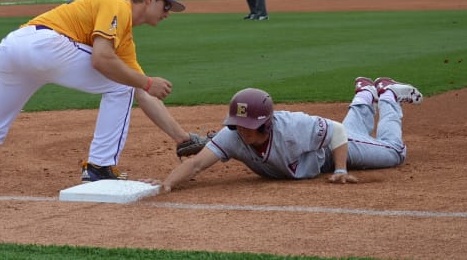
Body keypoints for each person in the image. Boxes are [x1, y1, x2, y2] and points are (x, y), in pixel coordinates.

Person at [0, 0, 210, 195]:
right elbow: (103, 61)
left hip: (12, 49)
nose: (168, 14)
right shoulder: (115, 4)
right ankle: (99, 167)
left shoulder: (124, 39)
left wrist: (182, 138)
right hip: (45, 44)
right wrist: (145, 81)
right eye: (167, 6)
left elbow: (140, 91)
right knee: (120, 85)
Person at [153, 77, 423, 192]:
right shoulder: (233, 135)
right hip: (319, 150)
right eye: (238, 123)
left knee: (394, 153)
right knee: (350, 128)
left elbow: (338, 132)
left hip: (332, 149)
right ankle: (365, 93)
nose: (242, 130)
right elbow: (196, 163)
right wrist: (167, 185)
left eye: (248, 124)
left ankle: (387, 95)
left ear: (265, 123)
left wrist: (340, 170)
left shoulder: (293, 127)